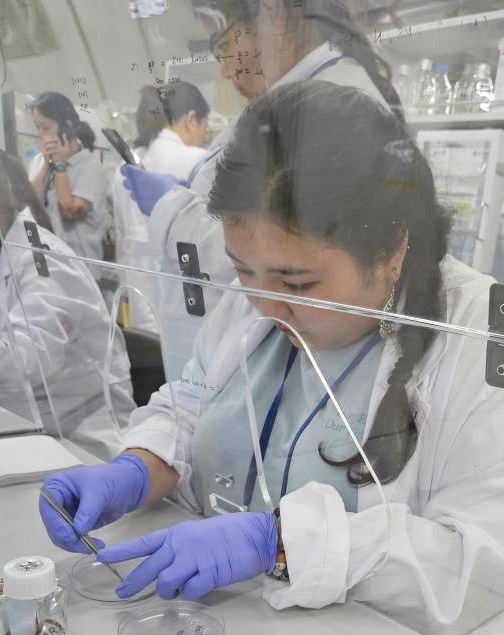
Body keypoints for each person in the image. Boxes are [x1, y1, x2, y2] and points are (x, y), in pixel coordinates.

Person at [39, 82, 504, 635]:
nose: (264, 305)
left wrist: (281, 543)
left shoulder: (488, 348)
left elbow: (486, 566)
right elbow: (193, 403)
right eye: (242, 269)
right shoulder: (261, 295)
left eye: (298, 284)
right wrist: (137, 465)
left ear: (392, 250)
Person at [121, 0, 403, 376]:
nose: (224, 70)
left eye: (223, 45)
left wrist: (171, 211)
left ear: (273, 12)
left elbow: (269, 248)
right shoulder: (291, 100)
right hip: (226, 349)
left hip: (267, 354)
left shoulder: (329, 105)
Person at [0, 116, 136, 459]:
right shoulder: (0, 256)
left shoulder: (43, 261)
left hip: (84, 445)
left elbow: (29, 354)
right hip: (34, 427)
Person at [112, 83, 210, 331]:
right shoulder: (197, 161)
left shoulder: (123, 168)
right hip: (185, 296)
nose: (203, 137)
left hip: (137, 290)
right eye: (205, 128)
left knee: (146, 350)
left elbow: (121, 236)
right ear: (191, 119)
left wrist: (125, 291)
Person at [29, 91, 109, 265]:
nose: (41, 134)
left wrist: (60, 166)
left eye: (45, 127)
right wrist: (46, 165)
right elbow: (29, 204)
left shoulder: (92, 168)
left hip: (81, 266)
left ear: (67, 127)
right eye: (37, 127)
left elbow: (69, 211)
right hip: (48, 262)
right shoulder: (40, 160)